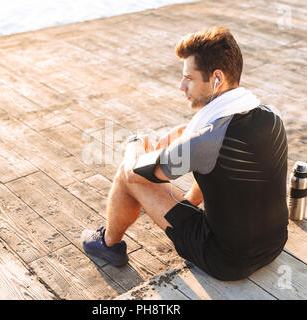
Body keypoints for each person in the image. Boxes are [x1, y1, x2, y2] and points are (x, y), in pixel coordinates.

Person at [81, 26, 289, 281]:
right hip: (275, 244)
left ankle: (108, 245)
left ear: (216, 79)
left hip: (225, 261)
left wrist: (135, 142)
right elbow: (216, 163)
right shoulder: (271, 115)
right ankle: (187, 206)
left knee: (126, 174)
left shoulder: (208, 138)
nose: (181, 86)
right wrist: (188, 201)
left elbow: (136, 172)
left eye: (189, 78)